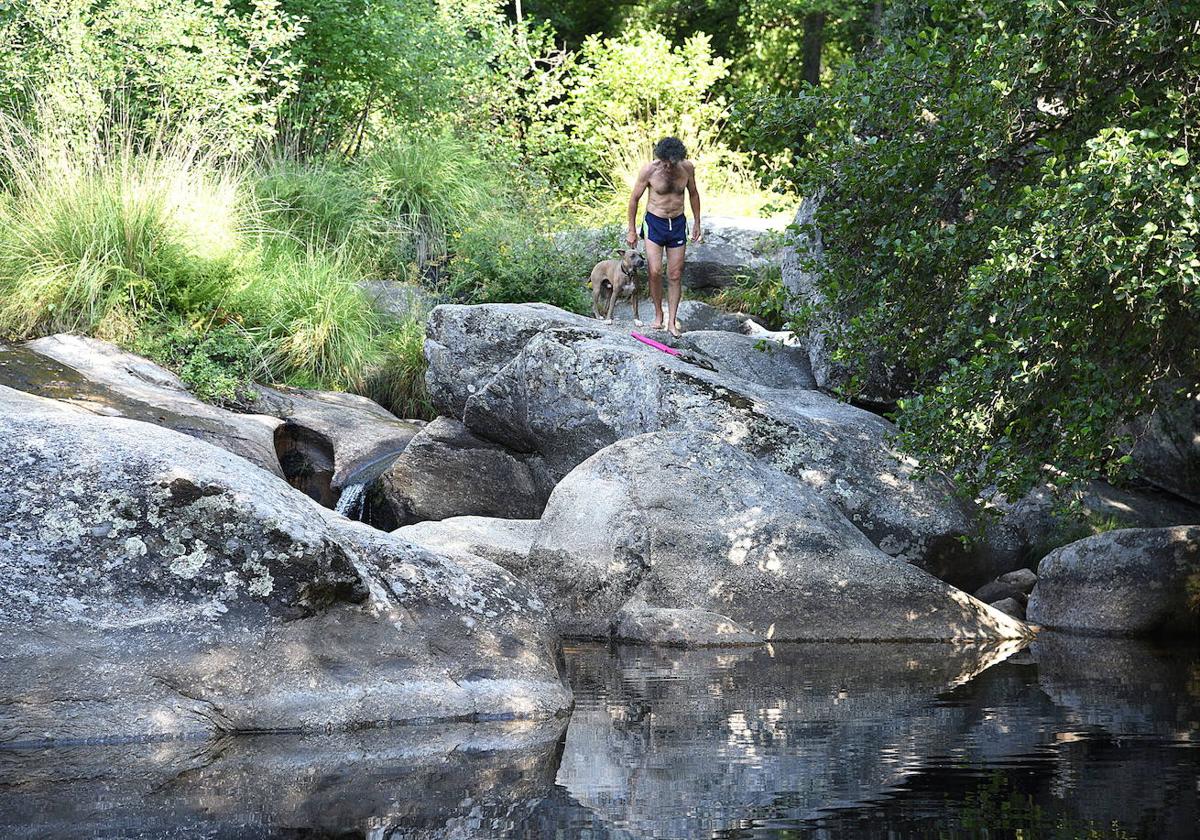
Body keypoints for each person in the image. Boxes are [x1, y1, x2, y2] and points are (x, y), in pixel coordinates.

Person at [626, 136, 702, 337]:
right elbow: (634, 199)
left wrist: (697, 223)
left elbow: (693, 194)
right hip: (655, 223)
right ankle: (658, 313)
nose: (668, 167)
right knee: (655, 271)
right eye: (665, 163)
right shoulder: (649, 170)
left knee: (675, 274)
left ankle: (671, 322)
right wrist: (632, 229)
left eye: (672, 163)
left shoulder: (687, 168)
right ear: (660, 158)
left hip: (677, 223)